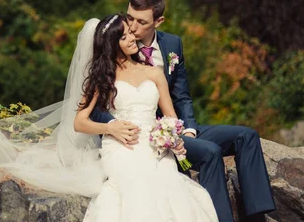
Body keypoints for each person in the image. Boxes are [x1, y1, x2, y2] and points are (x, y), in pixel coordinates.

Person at [90, 0, 276, 222]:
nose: (133, 27)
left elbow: (182, 96)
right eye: (129, 18)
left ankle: (257, 217)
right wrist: (115, 126)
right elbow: (97, 106)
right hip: (142, 135)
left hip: (173, 126)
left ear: (158, 21)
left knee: (246, 136)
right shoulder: (114, 43)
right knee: (210, 153)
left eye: (141, 21)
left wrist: (188, 128)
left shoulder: (172, 45)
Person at [75, 14, 218, 221]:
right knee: (136, 182)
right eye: (124, 37)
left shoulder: (154, 73)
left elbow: (171, 117)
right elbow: (79, 122)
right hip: (121, 146)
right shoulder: (102, 78)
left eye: (130, 32)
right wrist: (110, 129)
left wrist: (174, 139)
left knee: (169, 185)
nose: (132, 38)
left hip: (155, 146)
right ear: (112, 45)